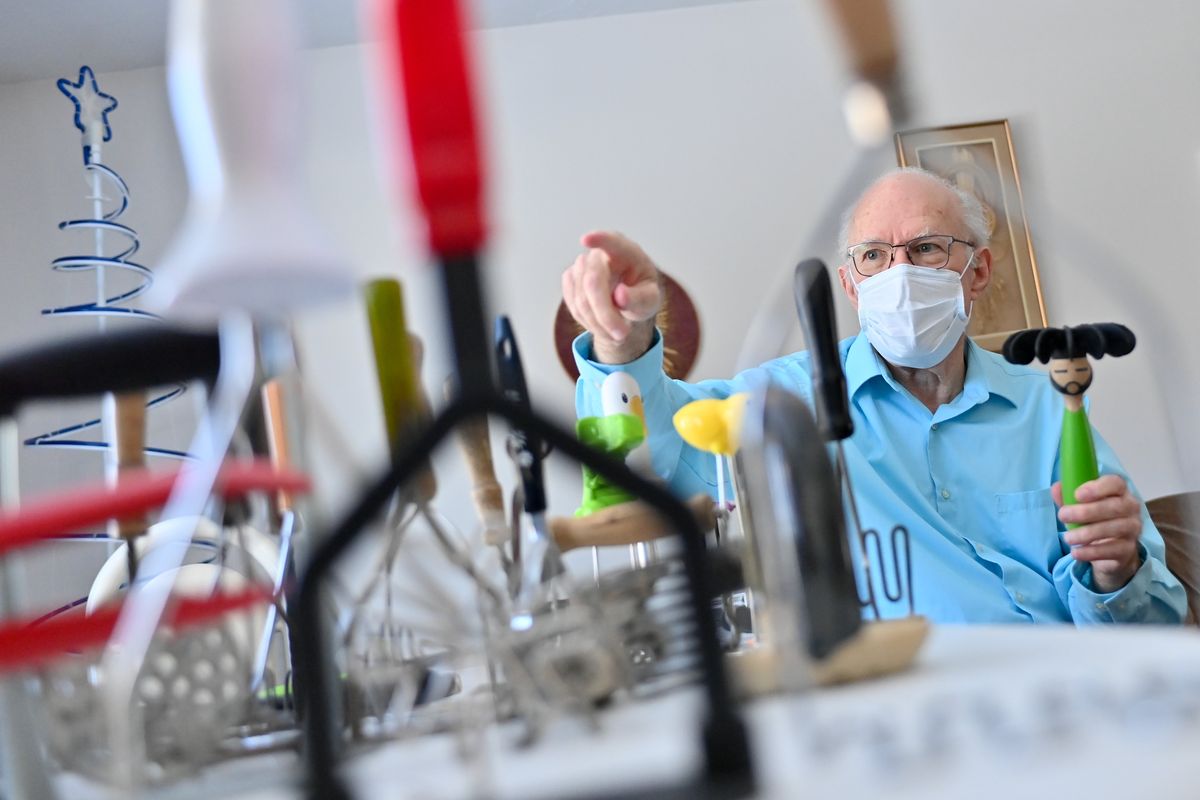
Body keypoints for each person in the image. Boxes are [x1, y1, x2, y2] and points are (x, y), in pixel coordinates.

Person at [561, 167, 1186, 624]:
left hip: (1056, 692)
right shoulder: (781, 406)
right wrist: (622, 338)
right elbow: (648, 453)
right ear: (850, 285)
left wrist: (1116, 570)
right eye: (874, 256)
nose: (900, 274)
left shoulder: (1048, 406)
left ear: (978, 272)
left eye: (926, 248)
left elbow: (1153, 618)